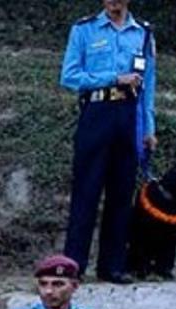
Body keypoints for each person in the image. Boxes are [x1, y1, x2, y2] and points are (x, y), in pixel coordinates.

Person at [60, 0, 157, 284]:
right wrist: (114, 78)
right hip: (97, 113)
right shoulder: (84, 29)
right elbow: (69, 77)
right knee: (86, 191)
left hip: (129, 116)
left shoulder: (143, 33)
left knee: (122, 192)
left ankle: (112, 266)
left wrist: (148, 128)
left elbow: (148, 85)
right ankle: (74, 265)